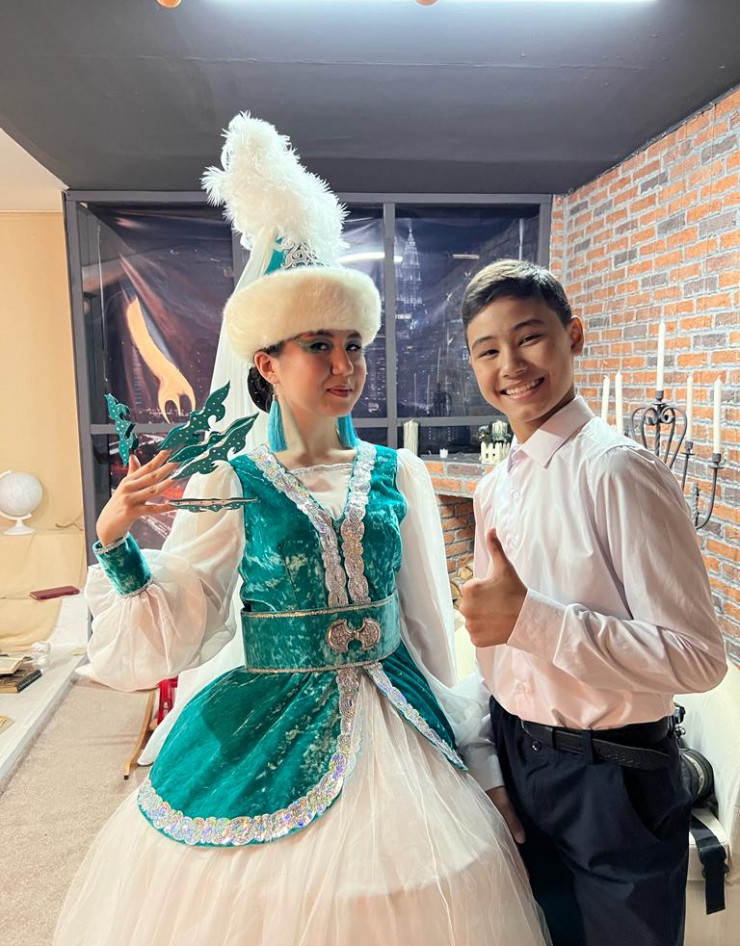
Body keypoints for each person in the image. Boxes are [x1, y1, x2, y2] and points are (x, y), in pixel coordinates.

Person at [53, 117, 548, 946]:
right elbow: (191, 610)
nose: (346, 366)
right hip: (268, 717)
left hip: (396, 716)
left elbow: (427, 625)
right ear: (268, 364)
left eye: (354, 344)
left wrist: (478, 757)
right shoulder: (233, 479)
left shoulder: (399, 474)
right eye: (319, 345)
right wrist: (117, 544)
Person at [458, 259, 727, 946]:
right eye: (488, 350)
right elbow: (501, 661)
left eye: (529, 337)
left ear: (573, 335)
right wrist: (489, 761)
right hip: (522, 762)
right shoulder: (495, 487)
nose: (511, 365)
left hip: (614, 779)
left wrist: (533, 621)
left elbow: (699, 658)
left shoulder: (619, 470)